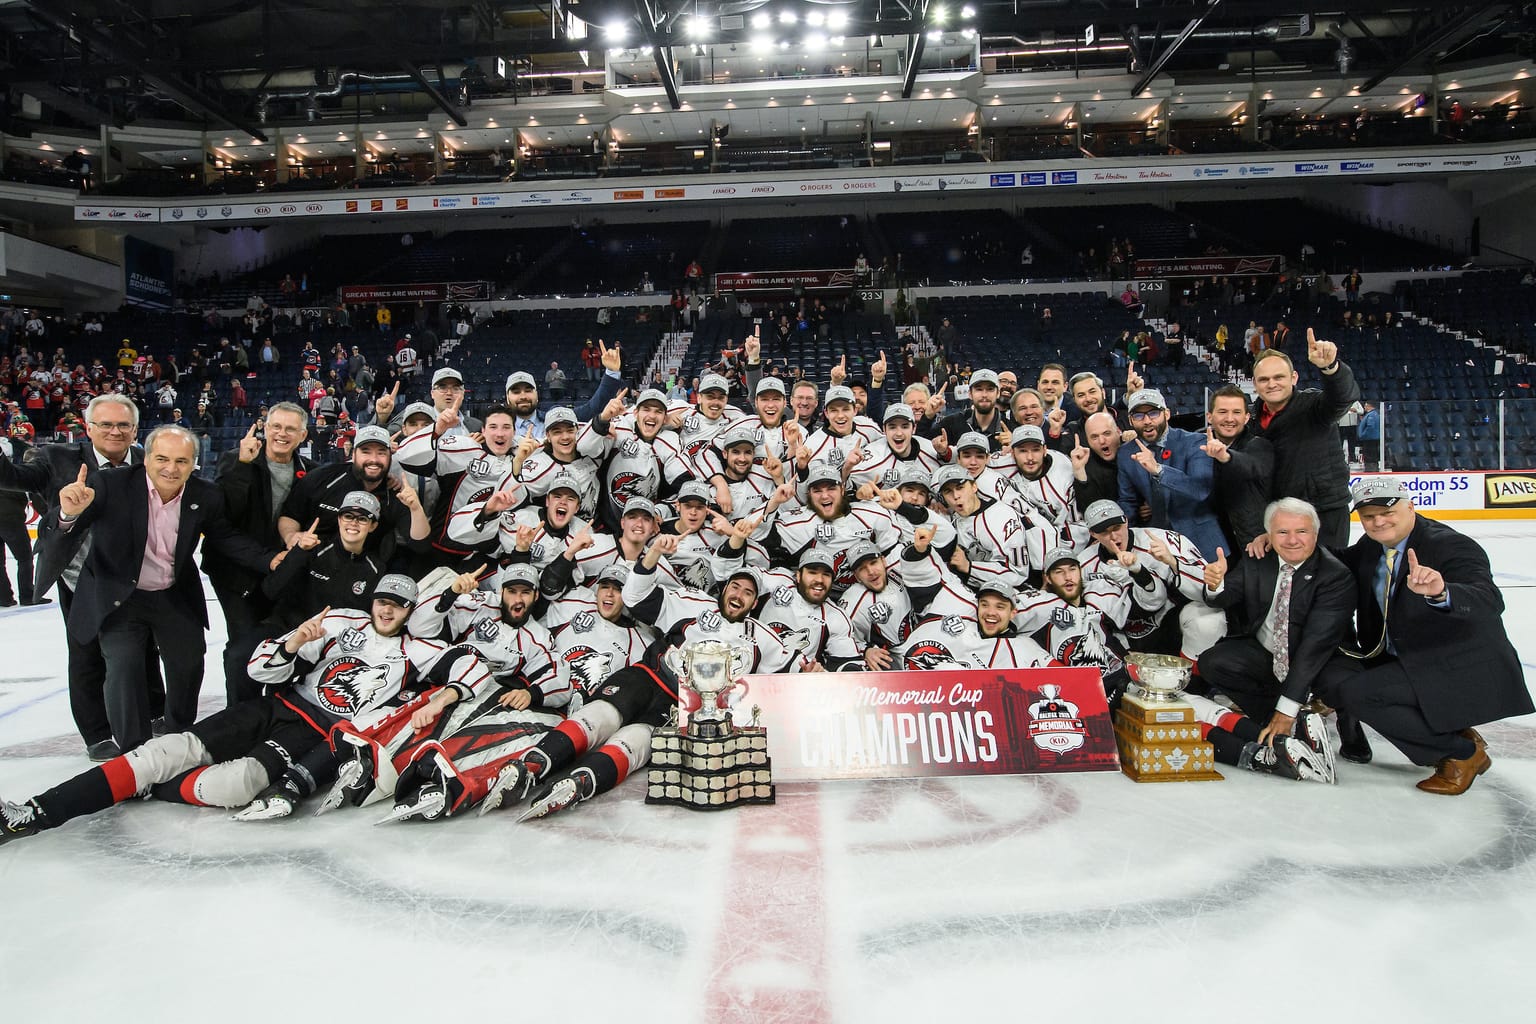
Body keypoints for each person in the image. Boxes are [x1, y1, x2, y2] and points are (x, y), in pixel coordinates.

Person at [36, 426, 279, 753]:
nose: (171, 468)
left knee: (189, 662)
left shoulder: (204, 494)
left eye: (182, 461)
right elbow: (62, 529)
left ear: (194, 463)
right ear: (146, 458)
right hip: (120, 597)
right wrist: (67, 513)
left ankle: (179, 733)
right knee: (124, 666)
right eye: (162, 458)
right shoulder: (110, 484)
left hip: (172, 594)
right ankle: (135, 752)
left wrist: (271, 560)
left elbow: (225, 538)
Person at [1318, 478, 1532, 793]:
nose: (1378, 521)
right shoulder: (1374, 544)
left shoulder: (1448, 544)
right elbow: (1338, 559)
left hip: (1458, 663)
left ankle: (1461, 755)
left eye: (1387, 512)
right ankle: (1455, 732)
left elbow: (1489, 598)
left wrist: (1442, 592)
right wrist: (1289, 541)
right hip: (1409, 657)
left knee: (1361, 694)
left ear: (1411, 507)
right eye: (1369, 516)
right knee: (1336, 681)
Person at [0, 393, 163, 759]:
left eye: (123, 424)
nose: (115, 431)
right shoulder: (58, 459)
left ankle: (156, 714)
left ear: (136, 429)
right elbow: (13, 477)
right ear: (88, 428)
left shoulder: (151, 461)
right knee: (86, 653)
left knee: (145, 646)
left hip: (139, 574)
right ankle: (97, 733)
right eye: (105, 424)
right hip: (81, 576)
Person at [1195, 498, 1354, 782]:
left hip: (1317, 661)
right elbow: (1225, 596)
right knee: (1214, 662)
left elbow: (1312, 650)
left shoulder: (1335, 576)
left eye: (1301, 532)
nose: (1292, 540)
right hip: (1268, 652)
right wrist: (1216, 583)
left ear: (1315, 534)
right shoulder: (1258, 560)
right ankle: (1285, 727)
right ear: (1269, 534)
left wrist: (1287, 709)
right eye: (1282, 532)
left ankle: (1341, 727)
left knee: (1336, 682)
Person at [208, 403, 315, 703]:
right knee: (244, 644)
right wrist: (242, 466)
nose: (282, 434)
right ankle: (241, 713)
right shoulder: (236, 460)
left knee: (277, 641)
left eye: (290, 429)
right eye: (276, 427)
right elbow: (226, 516)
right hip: (236, 571)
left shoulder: (310, 471)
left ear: (303, 434)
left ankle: (275, 709)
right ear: (264, 428)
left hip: (282, 573)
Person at [1247, 330, 1360, 546]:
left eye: (1279, 377)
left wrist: (1331, 368)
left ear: (1294, 377)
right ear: (1255, 383)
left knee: (1329, 577)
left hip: (1325, 513)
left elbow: (1342, 397)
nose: (1272, 384)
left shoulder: (1313, 405)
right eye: (1264, 379)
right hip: (1281, 516)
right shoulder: (1250, 419)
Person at [1116, 389, 1224, 560]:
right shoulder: (1125, 454)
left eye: (1153, 413)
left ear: (1166, 414)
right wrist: (1120, 537)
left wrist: (1158, 469)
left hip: (1201, 542)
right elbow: (1128, 501)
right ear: (1130, 420)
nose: (1147, 421)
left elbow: (1200, 490)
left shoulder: (1195, 442)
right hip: (1156, 544)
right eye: (1138, 416)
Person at [1202, 385, 1274, 555]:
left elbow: (1249, 466)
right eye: (1222, 412)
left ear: (1247, 417)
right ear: (1209, 416)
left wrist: (1226, 457)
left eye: (1236, 412)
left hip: (1253, 544)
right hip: (1213, 544)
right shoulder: (1196, 444)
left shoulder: (1259, 445)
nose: (1229, 418)